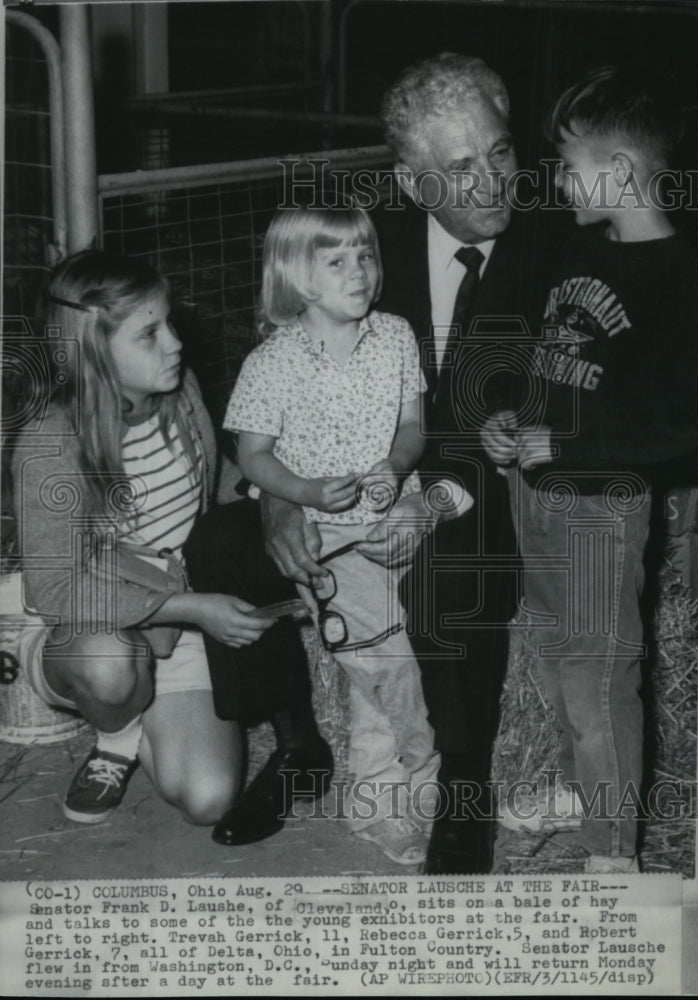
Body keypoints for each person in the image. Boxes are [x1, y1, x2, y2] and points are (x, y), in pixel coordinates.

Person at [263, 53, 561, 873]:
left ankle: (463, 785)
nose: (492, 182)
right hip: (351, 475)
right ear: (412, 181)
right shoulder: (365, 248)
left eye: (499, 153)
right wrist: (275, 497)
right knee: (222, 545)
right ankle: (294, 736)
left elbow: (526, 415)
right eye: (460, 168)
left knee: (441, 572)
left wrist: (430, 500)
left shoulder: (558, 246)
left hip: (488, 482)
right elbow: (284, 373)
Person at [481, 66, 698, 873]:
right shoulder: (579, 248)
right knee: (553, 650)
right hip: (534, 491)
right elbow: (554, 360)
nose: (555, 178)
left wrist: (569, 446)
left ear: (616, 172)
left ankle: (614, 861)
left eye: (568, 162)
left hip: (599, 503)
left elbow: (686, 418)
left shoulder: (683, 279)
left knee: (599, 678)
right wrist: (511, 418)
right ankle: (585, 790)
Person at [11, 250, 287, 829]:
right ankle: (115, 733)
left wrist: (277, 502)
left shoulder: (179, 390)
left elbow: (215, 482)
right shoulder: (50, 440)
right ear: (94, 353)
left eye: (170, 323)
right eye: (149, 334)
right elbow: (56, 587)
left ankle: (149, 711)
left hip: (178, 612)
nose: (175, 344)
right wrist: (186, 606)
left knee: (208, 799)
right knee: (111, 661)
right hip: (85, 628)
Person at [222, 204, 441, 865]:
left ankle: (380, 799)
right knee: (380, 662)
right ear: (296, 278)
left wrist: (396, 467)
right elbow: (252, 455)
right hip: (327, 541)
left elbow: (412, 427)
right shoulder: (274, 360)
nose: (360, 272)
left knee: (400, 656)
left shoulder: (396, 336)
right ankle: (415, 780)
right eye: (337, 261)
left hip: (397, 524)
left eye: (366, 256)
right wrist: (306, 492)